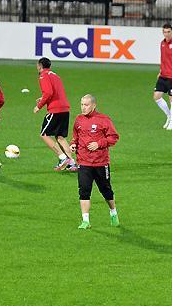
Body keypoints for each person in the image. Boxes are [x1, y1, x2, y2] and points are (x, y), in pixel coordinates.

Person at [70, 94, 120, 230]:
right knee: (84, 191)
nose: (83, 107)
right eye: (82, 104)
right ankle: (85, 221)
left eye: (86, 105)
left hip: (100, 162)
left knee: (106, 190)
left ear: (93, 105)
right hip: (83, 162)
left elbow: (114, 137)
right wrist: (73, 144)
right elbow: (75, 136)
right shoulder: (78, 120)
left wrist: (99, 143)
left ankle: (113, 212)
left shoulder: (103, 120)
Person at [33, 57, 76, 171]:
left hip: (55, 109)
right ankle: (71, 163)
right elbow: (55, 92)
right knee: (60, 137)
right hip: (65, 109)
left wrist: (39, 106)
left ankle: (62, 158)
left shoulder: (43, 76)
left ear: (40, 66)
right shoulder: (55, 76)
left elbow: (48, 92)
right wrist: (43, 98)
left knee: (44, 134)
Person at [153, 24, 172, 131]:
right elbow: (164, 59)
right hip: (163, 75)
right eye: (165, 32)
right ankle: (169, 115)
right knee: (156, 96)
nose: (167, 34)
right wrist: (160, 71)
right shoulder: (162, 43)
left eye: (168, 32)